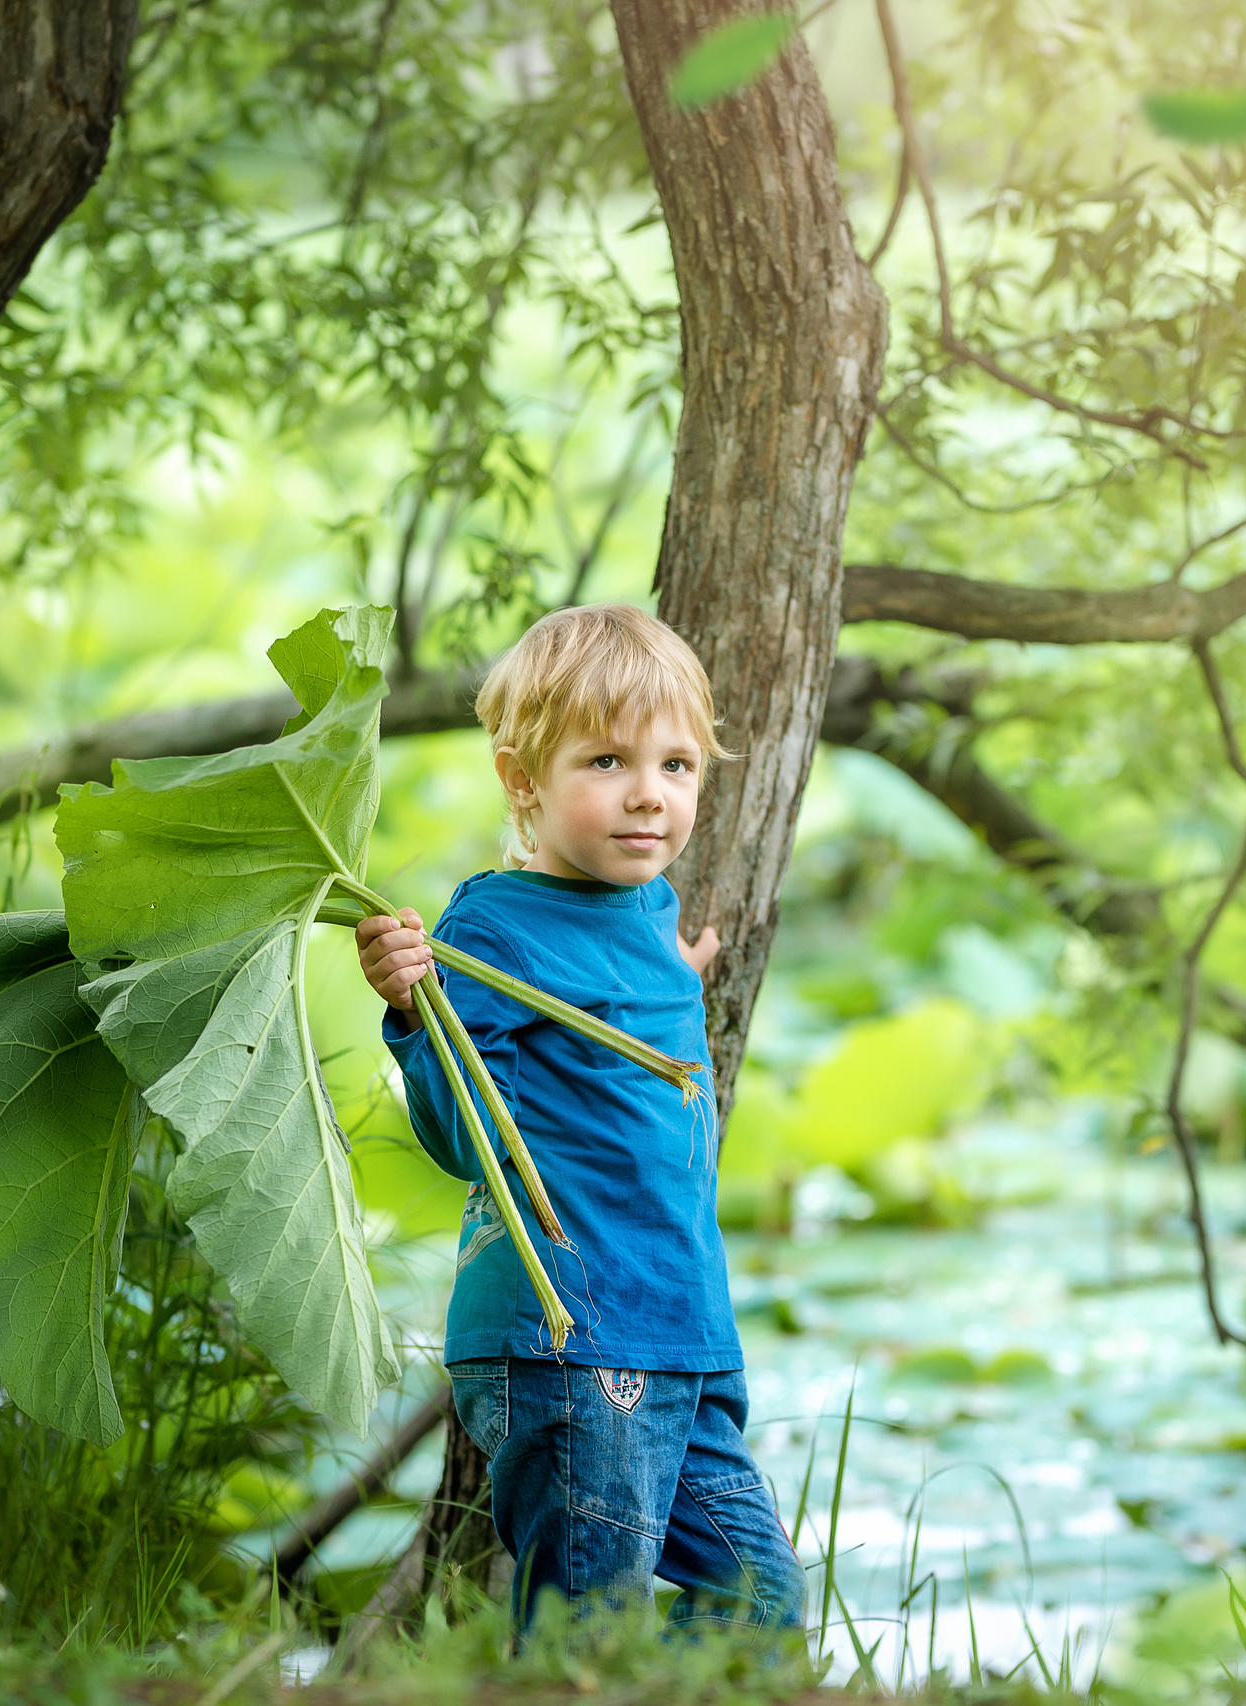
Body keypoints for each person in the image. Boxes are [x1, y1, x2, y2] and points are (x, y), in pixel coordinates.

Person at [353, 603, 804, 1638]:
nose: (649, 792)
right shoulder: (493, 928)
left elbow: (611, 1027)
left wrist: (671, 985)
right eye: (607, 760)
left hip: (682, 1330)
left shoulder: (648, 914)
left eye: (677, 764)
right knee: (584, 1624)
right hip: (575, 1337)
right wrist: (415, 1008)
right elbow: (475, 1144)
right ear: (522, 780)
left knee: (758, 1597)